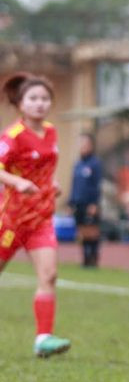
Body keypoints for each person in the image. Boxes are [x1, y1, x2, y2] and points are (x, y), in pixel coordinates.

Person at [0, 73, 71, 357]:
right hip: (10, 218)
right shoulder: (13, 136)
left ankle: (43, 338)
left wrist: (52, 184)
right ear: (20, 104)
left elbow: (44, 169)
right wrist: (16, 182)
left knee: (49, 275)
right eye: (33, 98)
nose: (40, 103)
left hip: (40, 218)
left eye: (45, 98)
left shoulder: (51, 132)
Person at [68, 132, 102, 267]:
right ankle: (85, 258)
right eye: (81, 143)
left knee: (91, 231)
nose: (82, 146)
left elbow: (97, 185)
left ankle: (93, 258)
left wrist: (94, 203)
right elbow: (74, 184)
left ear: (91, 145)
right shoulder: (77, 164)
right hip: (78, 203)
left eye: (85, 143)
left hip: (90, 203)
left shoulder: (95, 164)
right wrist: (71, 202)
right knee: (81, 231)